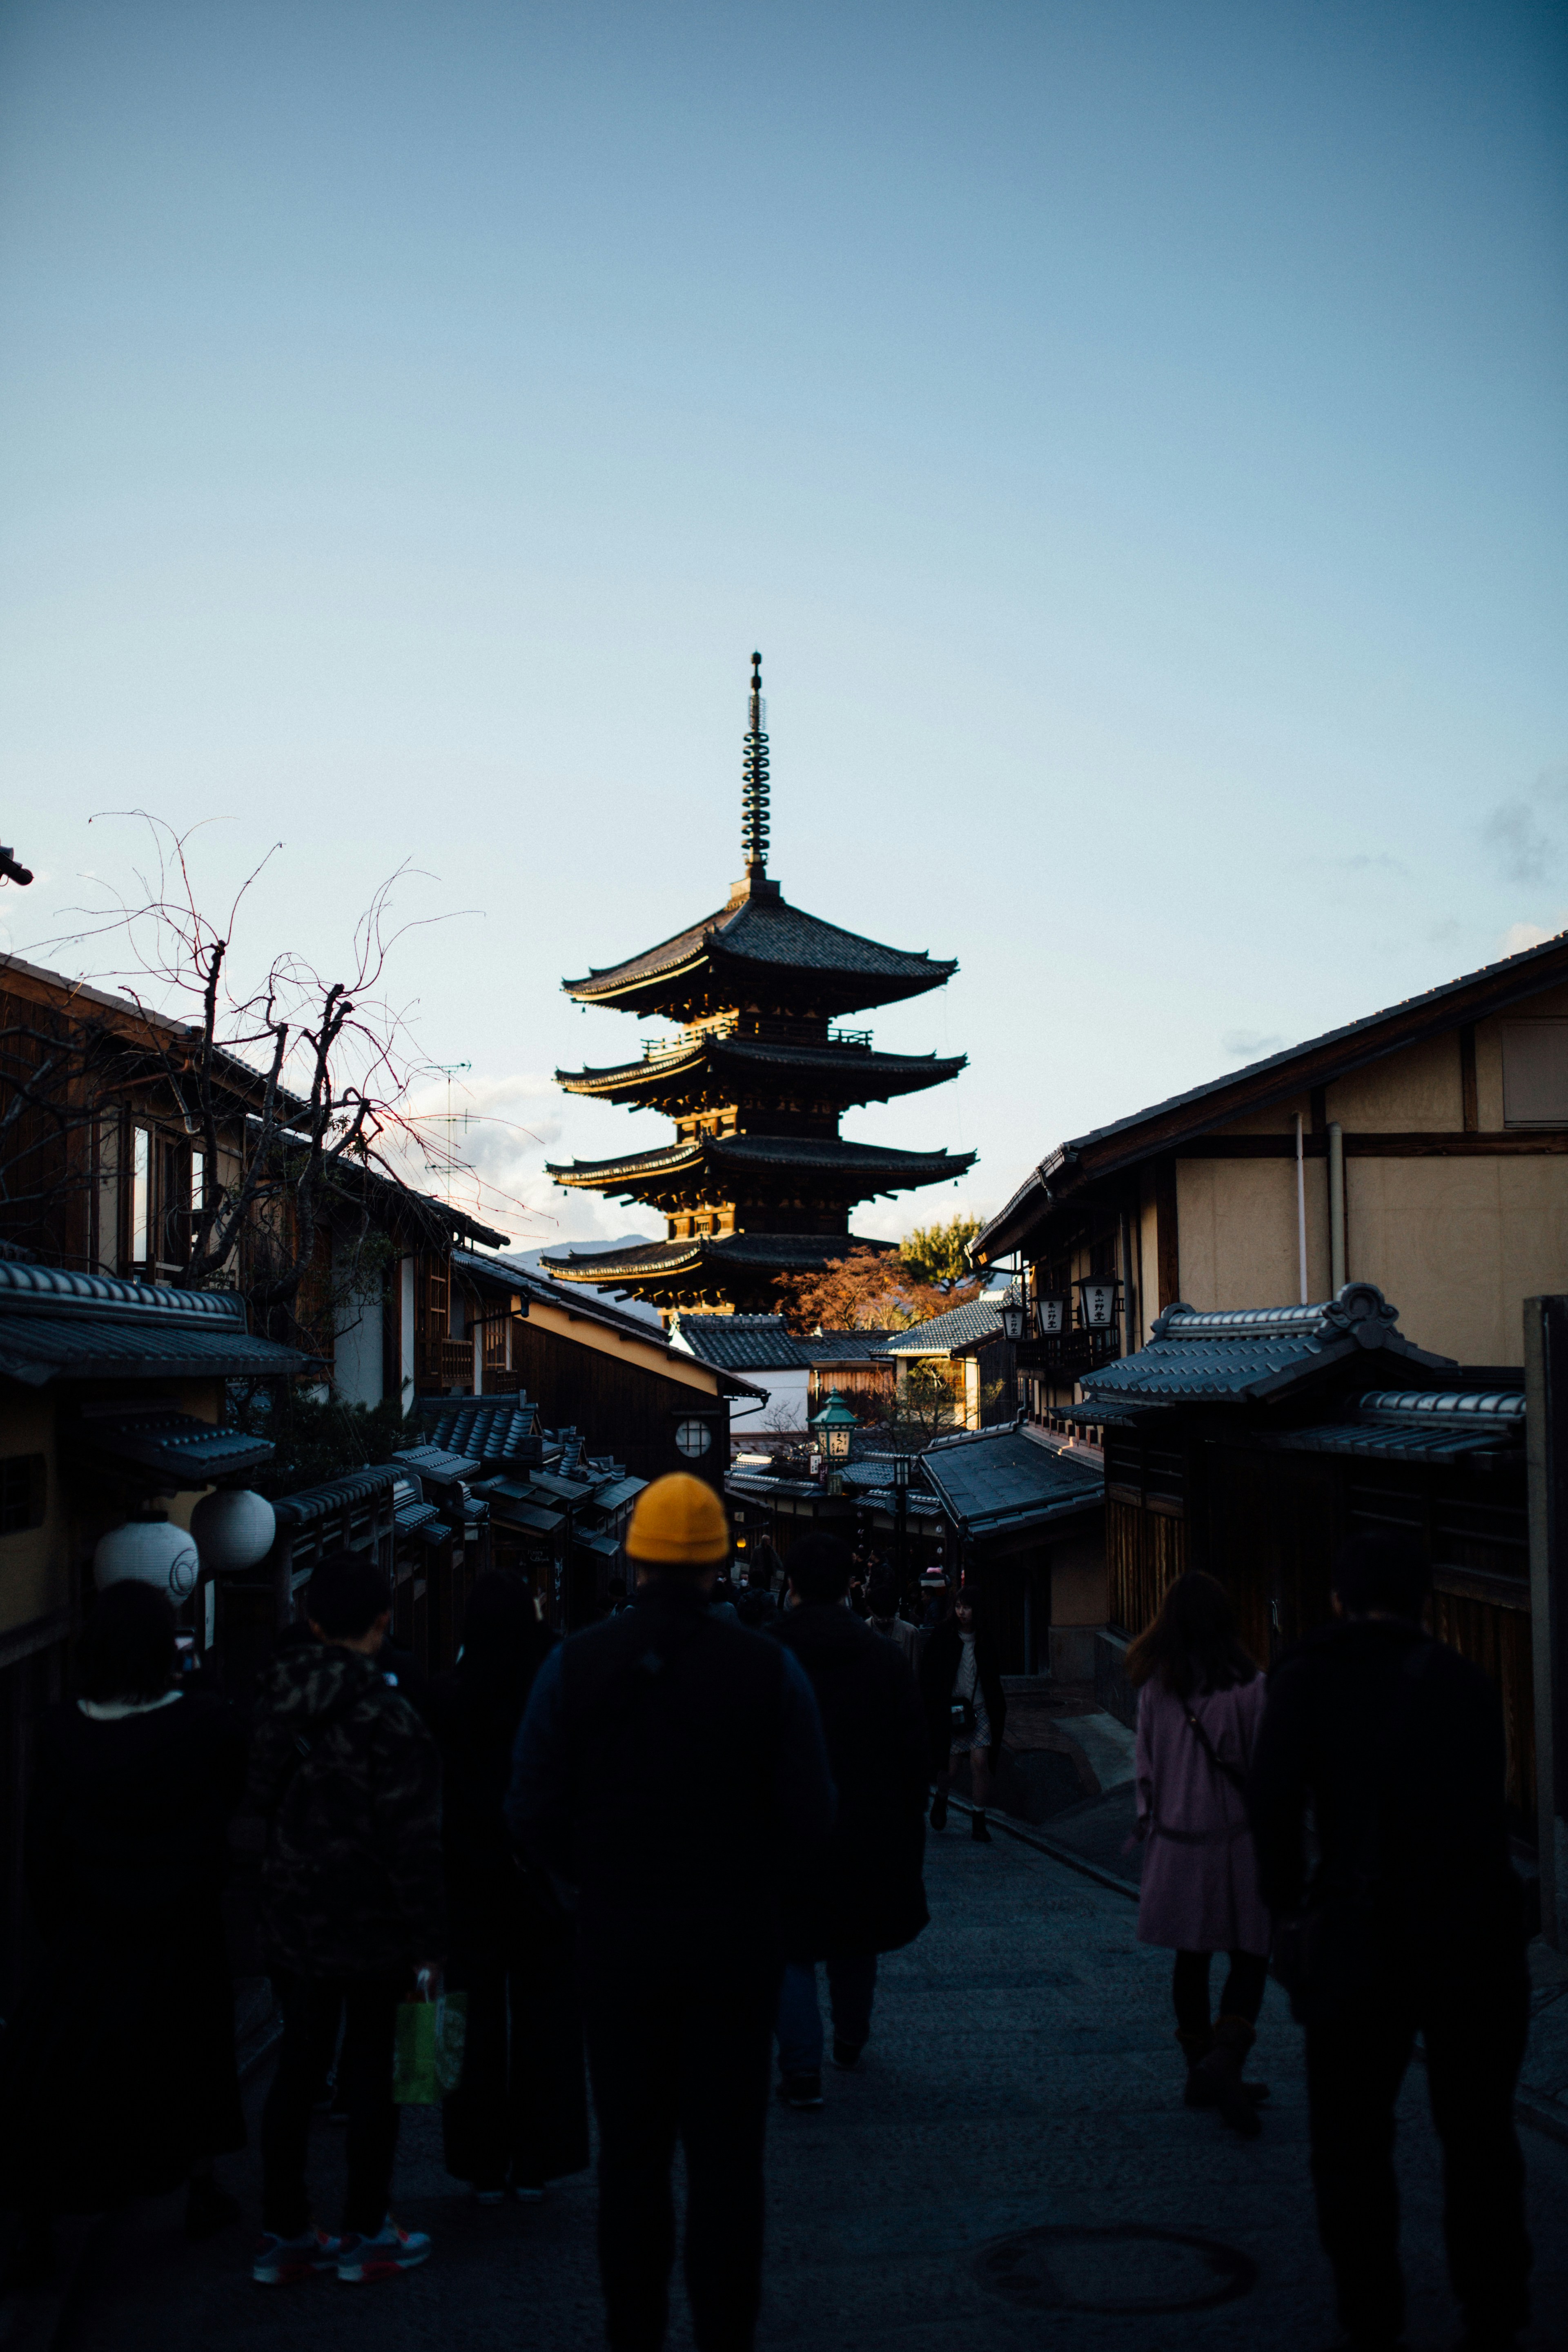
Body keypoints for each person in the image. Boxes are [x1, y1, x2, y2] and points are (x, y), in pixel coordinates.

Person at [507, 1472, 835, 2352]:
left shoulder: (573, 1665)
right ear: (720, 1566)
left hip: (618, 1940)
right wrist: (765, 1885)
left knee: (633, 2157)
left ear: (636, 1557)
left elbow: (531, 1805)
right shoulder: (771, 1669)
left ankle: (634, 2332)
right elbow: (813, 1810)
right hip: (734, 1940)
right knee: (730, 2160)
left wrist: (584, 1885)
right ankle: (726, 2332)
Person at [1250, 1530, 1532, 2352]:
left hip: (1358, 1928)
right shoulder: (1466, 1682)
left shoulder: (1306, 1679)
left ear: (1339, 1598)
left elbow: (1271, 1808)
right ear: (1423, 1601)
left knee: (1352, 2140)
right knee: (1479, 2135)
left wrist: (1289, 1910)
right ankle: (1494, 2308)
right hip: (1472, 1933)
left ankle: (1370, 2312)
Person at [0, 1581, 247, 2280]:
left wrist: (62, 1925)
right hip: (180, 1931)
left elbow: (43, 1849)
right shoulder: (206, 1725)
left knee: (55, 2077)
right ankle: (200, 2189)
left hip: (90, 1931)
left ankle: (39, 2223)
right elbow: (227, 1804)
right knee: (192, 2064)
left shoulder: (61, 1731)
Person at [247, 1552, 444, 2288]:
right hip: (374, 1925)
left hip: (293, 1916)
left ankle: (286, 2229)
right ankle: (367, 2229)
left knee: (298, 2073)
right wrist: (431, 1943)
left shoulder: (273, 1696)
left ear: (313, 1619)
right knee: (374, 2076)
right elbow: (415, 1840)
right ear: (384, 1623)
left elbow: (256, 1799)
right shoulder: (390, 1714)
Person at [429, 1571, 589, 2203]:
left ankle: (478, 2163)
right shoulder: (555, 1684)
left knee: (467, 2021)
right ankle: (539, 2160)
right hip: (541, 1879)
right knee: (547, 2020)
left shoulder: (448, 1695)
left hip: (466, 1880)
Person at [768, 1535, 929, 2109]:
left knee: (789, 1948)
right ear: (848, 1587)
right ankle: (850, 2037)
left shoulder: (767, 1653)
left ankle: (802, 2067)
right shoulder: (881, 1658)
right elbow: (914, 1752)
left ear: (791, 1583)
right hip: (866, 1823)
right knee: (854, 1938)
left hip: (786, 1827)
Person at [1126, 1571, 1270, 2137]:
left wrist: (1150, 1822)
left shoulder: (1156, 1690)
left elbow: (1145, 1771)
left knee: (1192, 1958)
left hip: (1177, 1842)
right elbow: (1266, 1769)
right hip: (1238, 1843)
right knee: (1250, 1954)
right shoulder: (1253, 1687)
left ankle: (1200, 2067)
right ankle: (1225, 2059)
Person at [920, 1579, 1006, 1843]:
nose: (961, 1612)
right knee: (951, 1769)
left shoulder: (985, 1638)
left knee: (981, 1763)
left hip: (979, 1708)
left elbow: (993, 1677)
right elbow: (930, 1673)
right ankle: (942, 1799)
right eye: (958, 1606)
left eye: (967, 1607)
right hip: (952, 1710)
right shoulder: (944, 1635)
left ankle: (978, 1820)